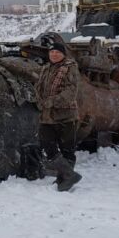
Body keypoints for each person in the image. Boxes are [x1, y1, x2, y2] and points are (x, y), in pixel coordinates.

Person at [35, 41, 82, 191]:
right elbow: (39, 87)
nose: (54, 54)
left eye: (57, 52)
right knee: (46, 144)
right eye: (52, 52)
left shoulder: (70, 68)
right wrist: (39, 100)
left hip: (65, 114)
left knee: (66, 148)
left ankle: (63, 179)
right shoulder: (46, 68)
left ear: (63, 54)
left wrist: (52, 101)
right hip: (47, 115)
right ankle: (69, 174)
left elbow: (71, 91)